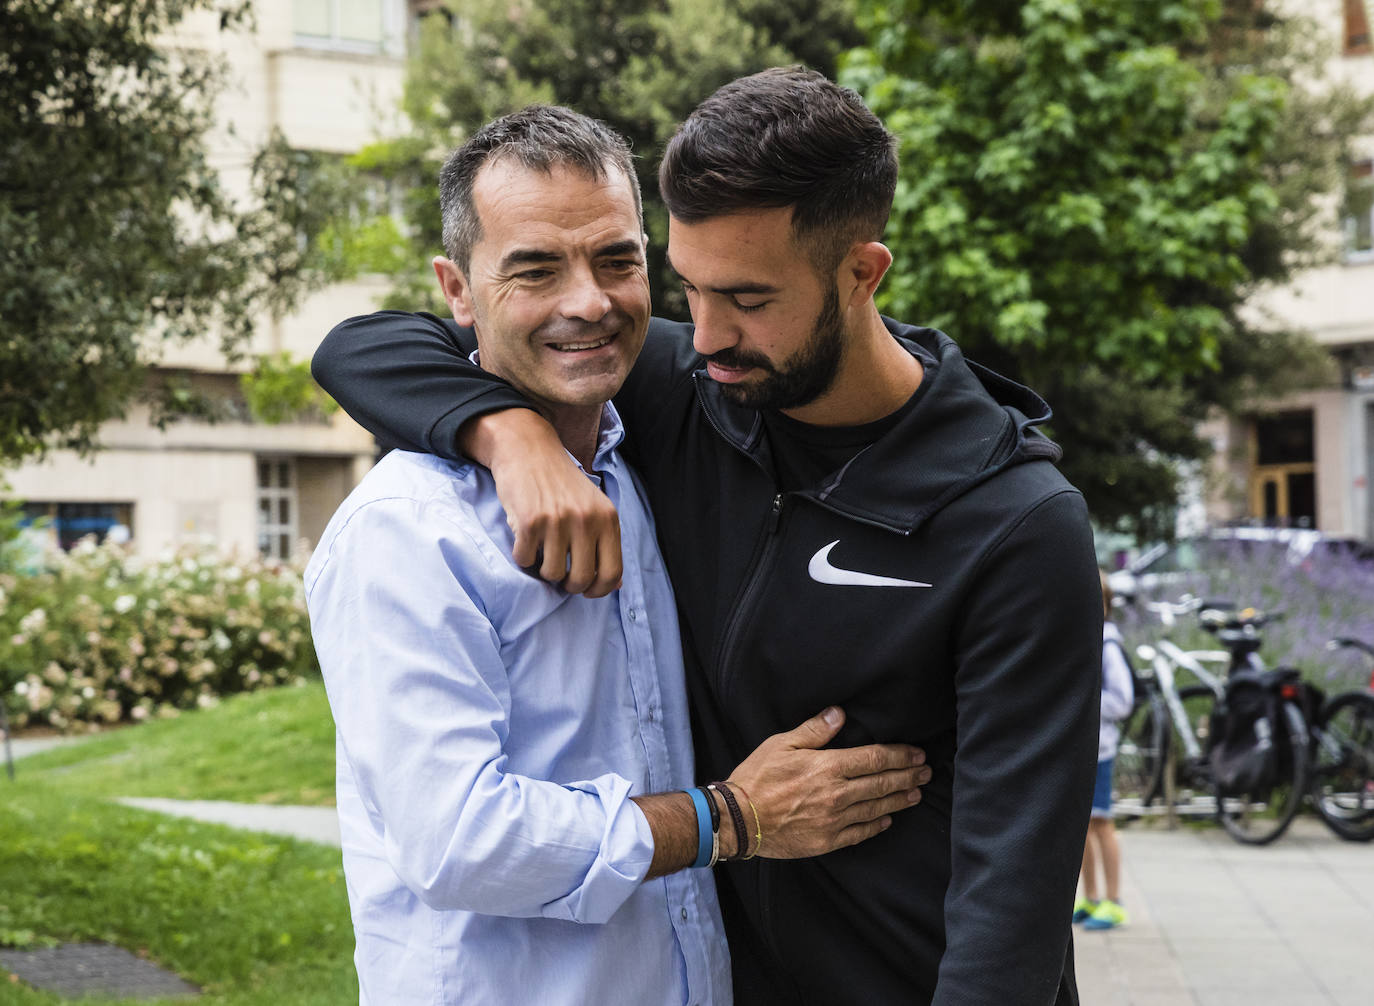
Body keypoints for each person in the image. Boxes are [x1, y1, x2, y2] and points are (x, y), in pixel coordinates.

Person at [313, 68, 1103, 1005]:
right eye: (687, 287)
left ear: (862, 273)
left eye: (748, 298)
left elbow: (1014, 905)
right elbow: (362, 347)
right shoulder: (683, 392)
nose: (708, 335)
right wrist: (510, 434)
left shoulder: (1015, 523)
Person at [1074, 571, 1135, 932]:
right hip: (1085, 747)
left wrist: (1084, 702)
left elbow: (1123, 700)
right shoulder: (1089, 640)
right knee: (1082, 826)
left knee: (1102, 823)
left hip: (1101, 748)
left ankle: (1113, 901)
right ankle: (1091, 897)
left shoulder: (1108, 645)